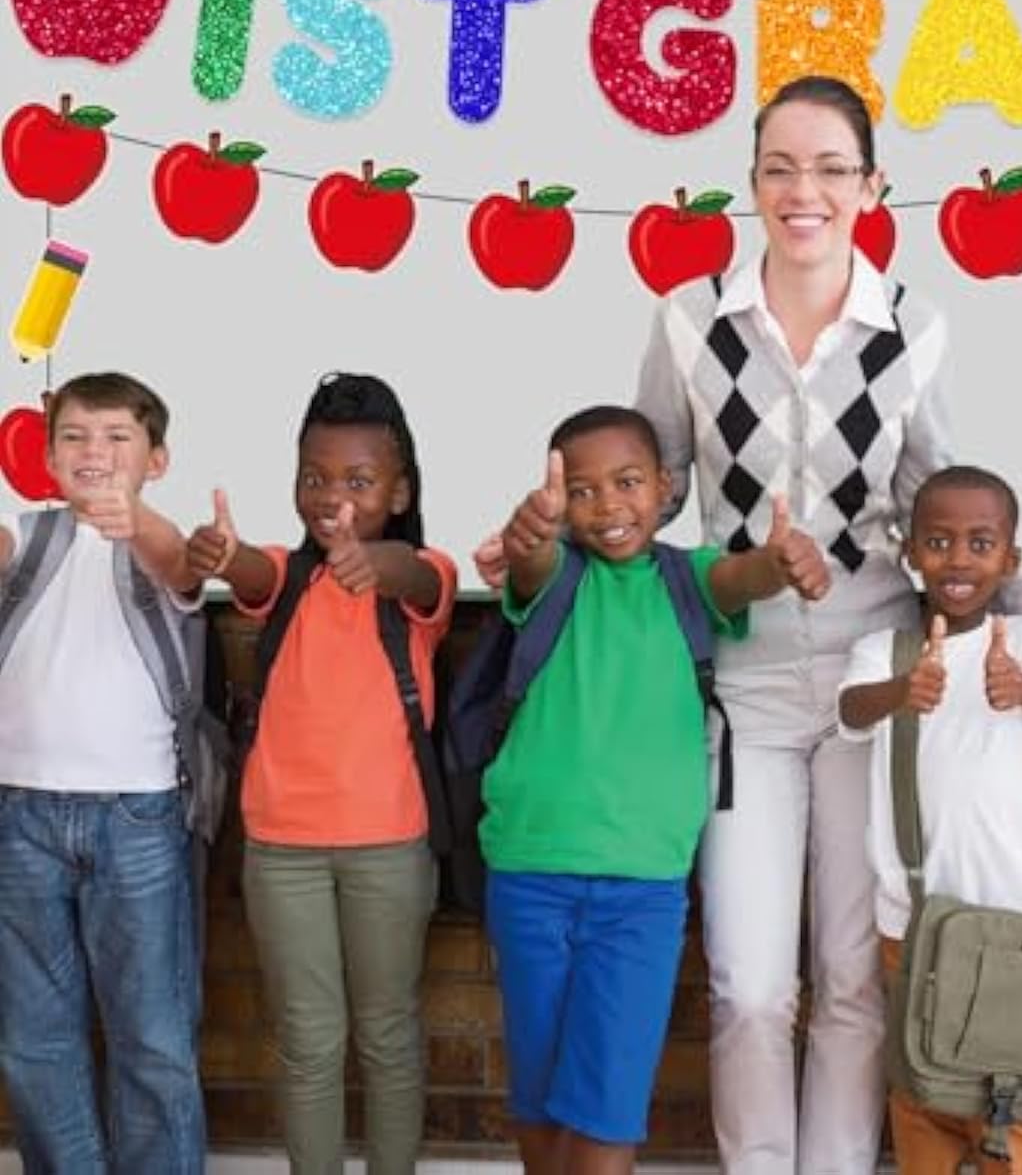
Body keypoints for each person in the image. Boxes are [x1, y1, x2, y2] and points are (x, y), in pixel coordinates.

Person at [635, 75, 1022, 1173]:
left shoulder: (913, 330)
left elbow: (948, 502)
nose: (806, 191)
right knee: (748, 983)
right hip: (744, 693)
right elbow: (641, 502)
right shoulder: (691, 321)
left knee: (849, 979)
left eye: (832, 169)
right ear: (750, 184)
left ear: (872, 185)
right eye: (782, 168)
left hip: (878, 695)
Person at [473, 404, 830, 1175]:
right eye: (584, 491)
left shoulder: (685, 580)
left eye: (627, 483)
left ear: (665, 488)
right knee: (537, 1094)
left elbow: (740, 577)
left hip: (643, 891)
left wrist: (781, 561)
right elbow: (528, 562)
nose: (608, 507)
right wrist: (528, 531)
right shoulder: (553, 577)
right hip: (530, 874)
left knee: (607, 1106)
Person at [186, 372, 456, 1175]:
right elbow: (253, 577)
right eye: (315, 476)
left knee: (388, 1035)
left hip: (390, 845)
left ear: (399, 490)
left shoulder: (417, 573)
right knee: (308, 1040)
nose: (331, 495)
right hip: (281, 850)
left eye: (359, 480)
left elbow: (419, 577)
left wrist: (375, 560)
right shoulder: (288, 577)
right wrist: (227, 556)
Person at [838, 465, 1022, 1175]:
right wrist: (901, 692)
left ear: (1012, 559)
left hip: (1020, 918)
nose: (959, 560)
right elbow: (850, 711)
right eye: (938, 542)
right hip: (914, 920)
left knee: (1012, 1096)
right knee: (924, 1092)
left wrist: (1018, 684)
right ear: (910, 552)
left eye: (980, 543)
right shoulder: (886, 651)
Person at [0, 371, 206, 1173]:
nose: (96, 452)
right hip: (20, 814)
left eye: (119, 437)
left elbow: (181, 566)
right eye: (77, 436)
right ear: (48, 457)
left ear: (156, 458)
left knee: (152, 1034)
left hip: (138, 818)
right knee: (34, 1036)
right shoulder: (26, 534)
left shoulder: (164, 542)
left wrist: (136, 524)